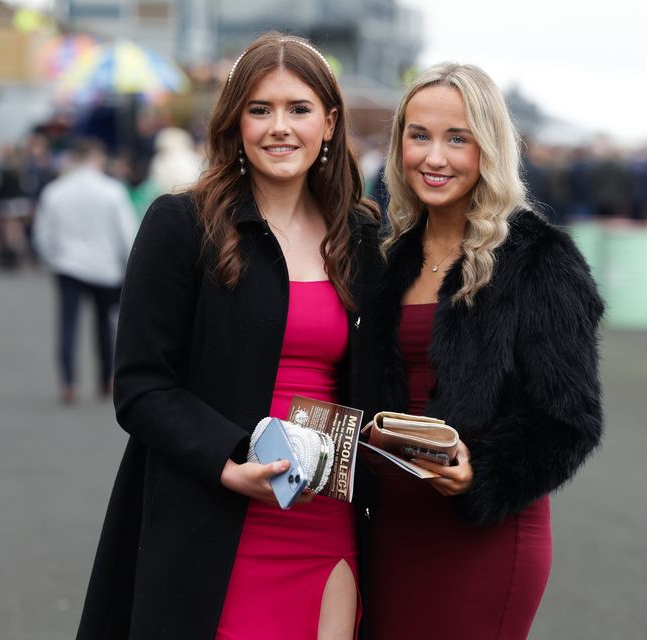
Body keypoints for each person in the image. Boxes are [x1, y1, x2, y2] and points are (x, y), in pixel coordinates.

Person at [75, 32, 381, 640]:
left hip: (325, 515)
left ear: (330, 122)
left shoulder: (361, 236)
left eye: (299, 109)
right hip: (215, 508)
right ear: (234, 121)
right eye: (260, 109)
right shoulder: (182, 223)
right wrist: (228, 458)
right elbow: (140, 385)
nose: (279, 127)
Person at [368, 62, 605, 640]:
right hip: (390, 527)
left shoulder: (540, 260)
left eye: (458, 138)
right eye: (419, 135)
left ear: (489, 148)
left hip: (487, 529)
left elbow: (571, 420)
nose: (434, 157)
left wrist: (482, 476)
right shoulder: (386, 256)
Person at [33, 138, 138, 405]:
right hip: (106, 267)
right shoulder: (112, 190)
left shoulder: (55, 191)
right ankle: (106, 378)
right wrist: (129, 264)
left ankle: (68, 382)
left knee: (68, 323)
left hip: (68, 264)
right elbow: (126, 233)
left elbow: (43, 233)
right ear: (97, 159)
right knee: (105, 325)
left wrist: (51, 258)